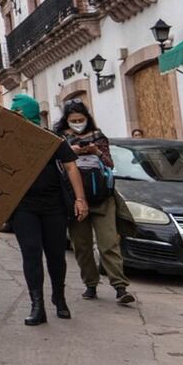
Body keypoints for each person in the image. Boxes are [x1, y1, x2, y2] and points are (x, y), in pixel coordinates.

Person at [9, 95, 88, 325]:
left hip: (54, 207)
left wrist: (80, 199)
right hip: (24, 208)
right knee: (31, 254)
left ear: (28, 113)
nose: (15, 115)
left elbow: (71, 166)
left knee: (56, 255)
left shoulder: (52, 138)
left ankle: (59, 298)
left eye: (18, 111)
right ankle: (37, 305)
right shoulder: (9, 139)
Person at [55, 100, 136, 305]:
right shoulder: (60, 138)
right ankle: (90, 284)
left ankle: (120, 287)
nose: (78, 124)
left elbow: (109, 163)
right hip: (74, 200)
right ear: (66, 120)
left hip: (102, 198)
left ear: (87, 119)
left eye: (81, 120)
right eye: (73, 120)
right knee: (81, 245)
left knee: (109, 243)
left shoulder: (98, 137)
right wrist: (71, 151)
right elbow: (56, 164)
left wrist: (95, 151)